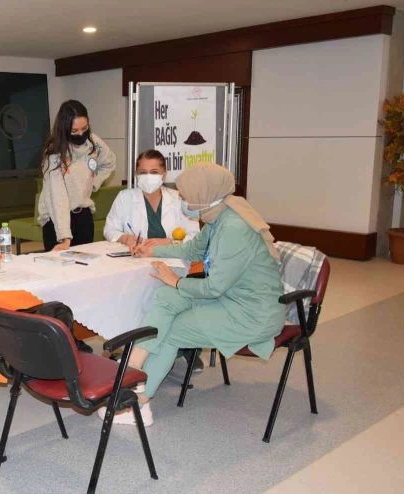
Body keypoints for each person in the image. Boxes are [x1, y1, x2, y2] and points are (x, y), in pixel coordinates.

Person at [114, 163, 285, 426]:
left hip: (251, 313)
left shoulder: (233, 227)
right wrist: (153, 251)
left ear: (204, 195)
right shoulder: (221, 214)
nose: (182, 200)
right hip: (229, 297)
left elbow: (213, 287)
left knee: (174, 328)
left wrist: (176, 281)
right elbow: (194, 249)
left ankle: (137, 403)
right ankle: (135, 366)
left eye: (185, 196)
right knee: (166, 297)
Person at [38, 100, 116, 252]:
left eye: (84, 128)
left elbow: (110, 162)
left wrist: (93, 183)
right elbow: (57, 198)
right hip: (57, 221)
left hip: (83, 216)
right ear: (64, 128)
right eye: (74, 131)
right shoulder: (54, 153)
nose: (80, 134)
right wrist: (65, 237)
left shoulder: (93, 142)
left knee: (86, 264)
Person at [103, 149, 199, 248]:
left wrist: (169, 242)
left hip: (172, 255)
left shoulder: (179, 199)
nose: (148, 177)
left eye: (154, 172)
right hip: (136, 255)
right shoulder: (124, 197)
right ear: (136, 174)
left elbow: (195, 235)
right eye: (143, 172)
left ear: (164, 175)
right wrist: (125, 238)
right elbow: (109, 230)